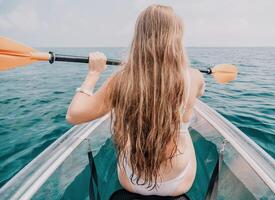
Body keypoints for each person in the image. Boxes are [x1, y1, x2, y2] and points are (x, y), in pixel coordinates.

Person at [66, 4, 205, 197]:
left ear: (139, 37)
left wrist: (93, 73)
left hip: (133, 180)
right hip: (178, 182)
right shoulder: (194, 77)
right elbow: (200, 92)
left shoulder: (121, 79)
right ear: (176, 38)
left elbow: (74, 115)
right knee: (184, 130)